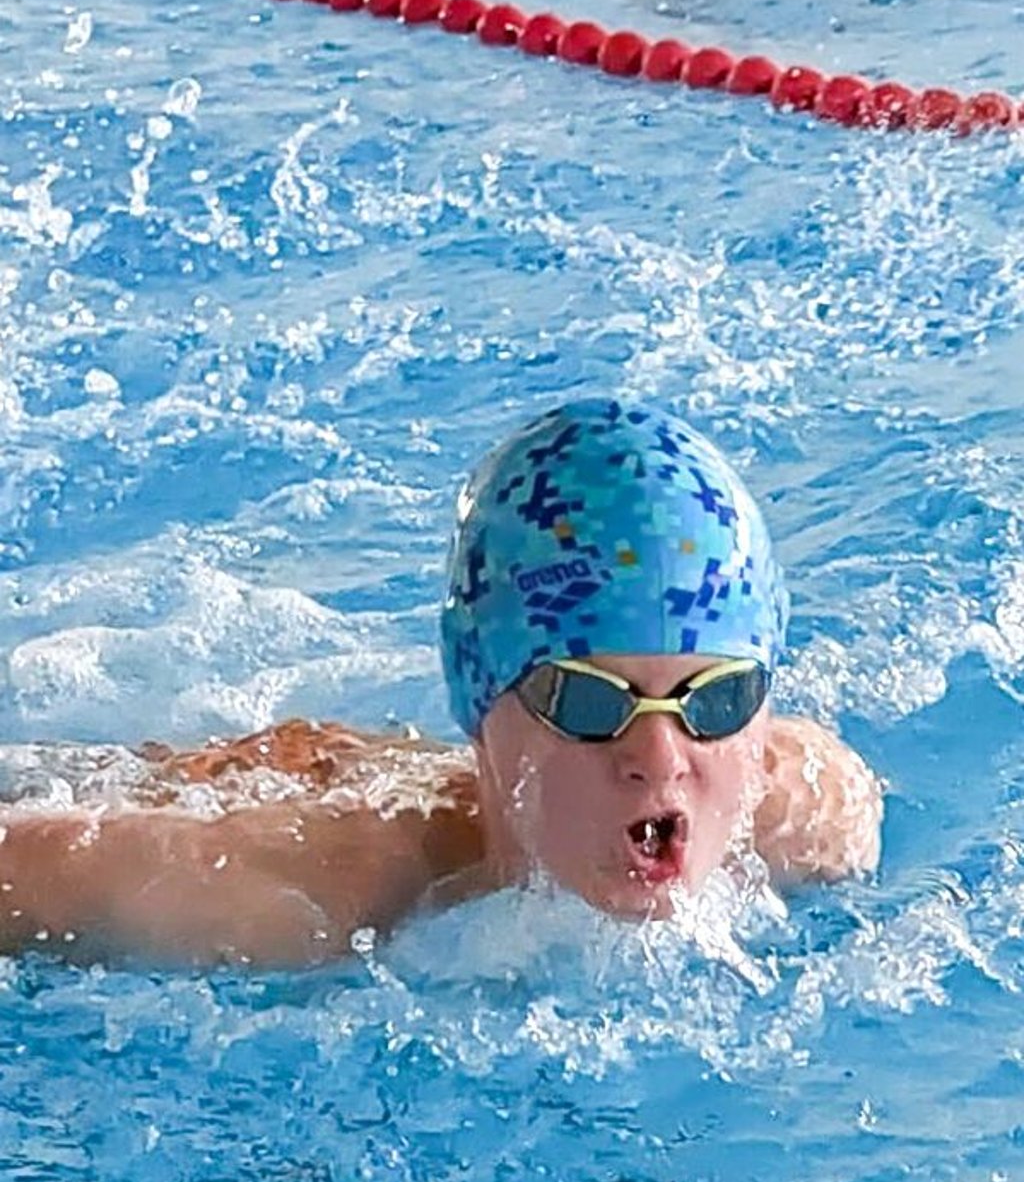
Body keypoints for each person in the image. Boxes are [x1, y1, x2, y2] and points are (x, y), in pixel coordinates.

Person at [0, 398, 881, 968]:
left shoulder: (813, 810)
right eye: (588, 700)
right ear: (477, 697)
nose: (659, 757)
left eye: (713, 697)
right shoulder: (307, 898)